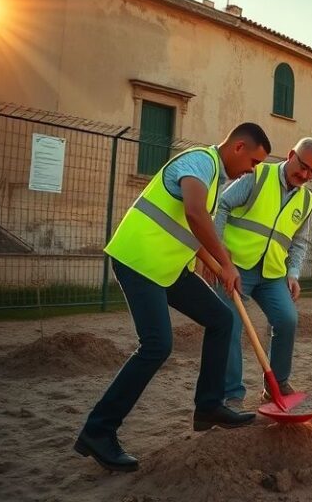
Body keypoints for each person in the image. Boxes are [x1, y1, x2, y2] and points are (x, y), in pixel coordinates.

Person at [74, 123, 271, 473]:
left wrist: (213, 261)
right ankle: (98, 431)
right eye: (254, 162)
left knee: (222, 319)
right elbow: (194, 213)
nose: (252, 171)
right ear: (239, 147)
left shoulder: (215, 179)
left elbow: (189, 226)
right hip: (139, 260)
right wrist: (226, 263)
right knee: (156, 345)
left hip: (166, 267)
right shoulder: (201, 162)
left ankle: (209, 406)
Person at [211, 137, 312, 407]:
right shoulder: (258, 175)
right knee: (231, 324)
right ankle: (232, 396)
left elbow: (298, 242)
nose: (305, 175)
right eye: (303, 166)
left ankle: (276, 385)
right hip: (237, 267)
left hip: (273, 273)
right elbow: (223, 205)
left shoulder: (307, 200)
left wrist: (293, 273)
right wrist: (219, 255)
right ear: (290, 155)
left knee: (287, 319)